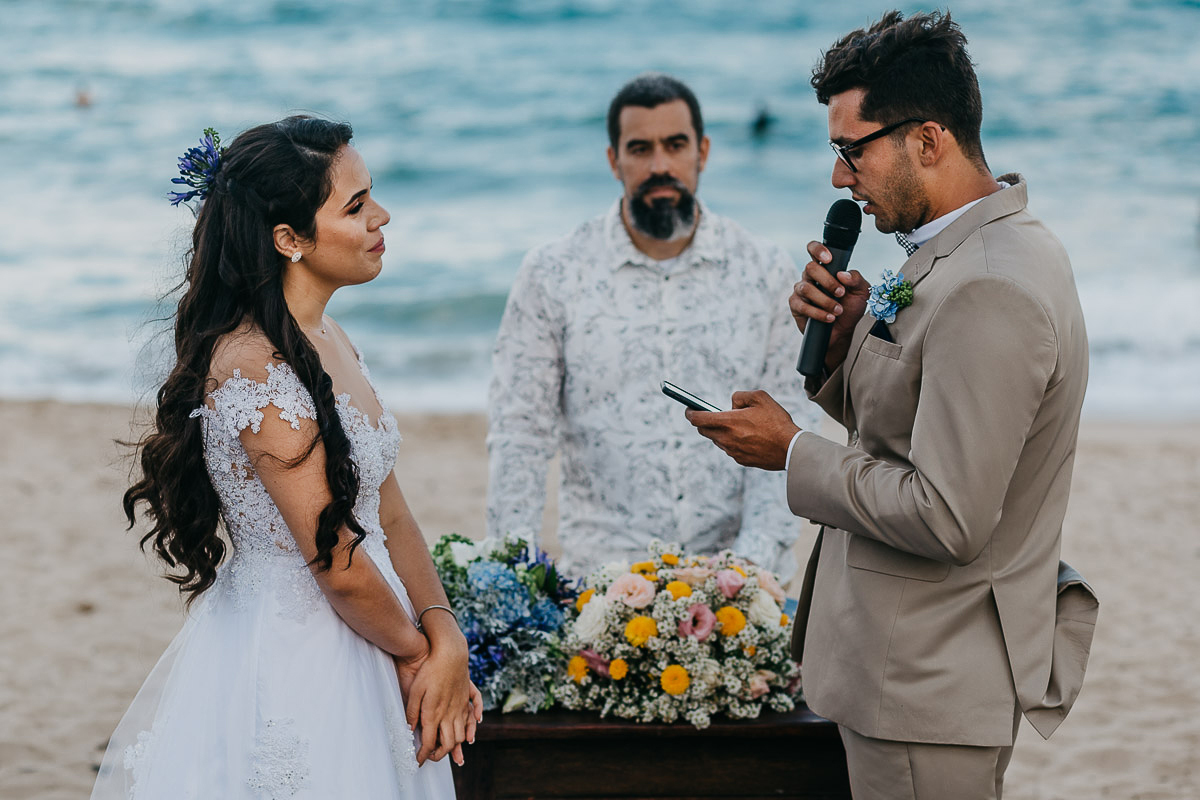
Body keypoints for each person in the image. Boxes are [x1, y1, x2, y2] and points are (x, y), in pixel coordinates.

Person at [684, 12, 1098, 799]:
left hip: (926, 683)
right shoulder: (975, 251)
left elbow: (948, 514)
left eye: (851, 150)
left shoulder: (989, 288)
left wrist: (793, 451)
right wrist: (844, 347)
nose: (840, 177)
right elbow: (916, 428)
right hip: (911, 671)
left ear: (928, 141)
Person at [92, 116, 479, 799]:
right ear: (289, 240)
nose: (381, 216)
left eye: (372, 196)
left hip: (377, 630)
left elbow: (391, 513)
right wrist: (421, 655)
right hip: (305, 655)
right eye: (355, 206)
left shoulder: (330, 334)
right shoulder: (252, 369)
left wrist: (446, 632)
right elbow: (337, 561)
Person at [487, 73, 819, 580]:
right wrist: (515, 574)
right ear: (613, 160)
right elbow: (520, 434)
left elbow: (791, 426)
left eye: (675, 145)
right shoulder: (553, 273)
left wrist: (747, 572)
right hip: (602, 583)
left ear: (702, 152)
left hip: (742, 582)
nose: (660, 165)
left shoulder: (766, 270)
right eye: (640, 148)